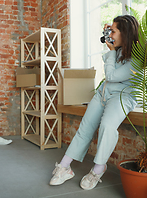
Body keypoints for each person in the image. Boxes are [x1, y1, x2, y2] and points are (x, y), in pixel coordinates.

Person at [49, 15, 139, 190]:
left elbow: (112, 76)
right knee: (86, 127)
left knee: (107, 126)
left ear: (126, 33)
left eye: (113, 31)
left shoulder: (138, 58)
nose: (110, 35)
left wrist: (111, 51)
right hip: (103, 93)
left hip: (123, 97)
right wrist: (112, 42)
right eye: (109, 30)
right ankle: (64, 167)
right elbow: (109, 78)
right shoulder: (119, 50)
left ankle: (98, 169)